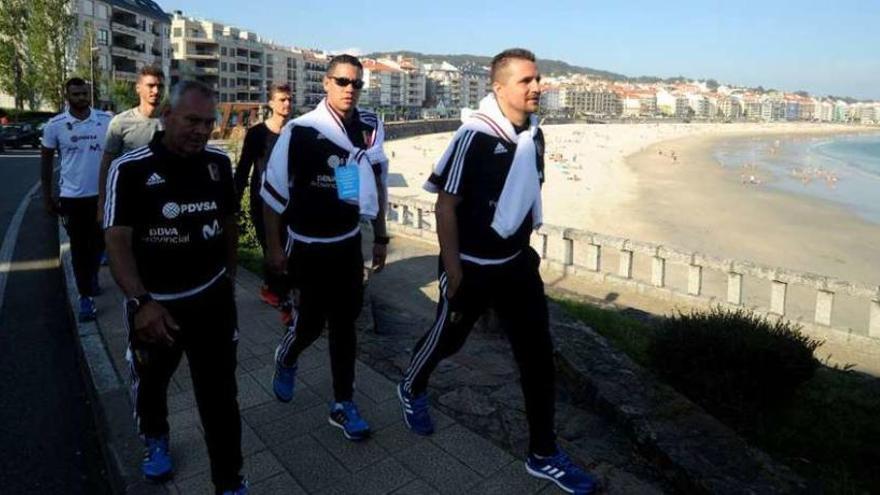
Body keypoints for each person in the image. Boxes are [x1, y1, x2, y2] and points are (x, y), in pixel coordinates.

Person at [396, 49, 597, 494]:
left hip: (517, 266)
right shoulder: (474, 137)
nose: (537, 87)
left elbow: (527, 194)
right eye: (526, 80)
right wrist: (454, 270)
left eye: (538, 78)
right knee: (449, 340)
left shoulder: (535, 137)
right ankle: (411, 386)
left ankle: (543, 454)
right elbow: (445, 204)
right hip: (472, 267)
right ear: (500, 88)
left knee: (538, 358)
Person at [103, 80, 247, 494]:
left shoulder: (218, 164)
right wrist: (141, 302)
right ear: (167, 116)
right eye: (192, 120)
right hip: (156, 309)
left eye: (208, 122)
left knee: (221, 399)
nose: (202, 130)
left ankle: (230, 481)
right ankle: (156, 439)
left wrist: (229, 279)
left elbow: (230, 224)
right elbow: (116, 239)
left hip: (212, 303)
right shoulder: (130, 168)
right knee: (152, 385)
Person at [261, 54, 390, 441]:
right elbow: (272, 195)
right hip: (307, 245)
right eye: (342, 82)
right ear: (326, 83)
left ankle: (343, 403)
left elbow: (371, 183)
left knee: (345, 325)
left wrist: (380, 235)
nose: (350, 90)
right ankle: (288, 355)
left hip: (347, 244)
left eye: (357, 84)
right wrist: (273, 249)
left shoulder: (369, 126)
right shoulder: (301, 130)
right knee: (312, 324)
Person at [41, 77, 112, 321]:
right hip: (72, 198)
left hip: (103, 196)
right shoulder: (55, 125)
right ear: (67, 96)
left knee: (100, 243)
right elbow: (47, 162)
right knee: (80, 248)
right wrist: (47, 196)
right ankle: (85, 297)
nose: (81, 98)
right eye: (76, 94)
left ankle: (91, 275)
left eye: (84, 94)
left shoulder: (105, 121)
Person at [233, 83, 293, 323]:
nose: (286, 104)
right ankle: (275, 292)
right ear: (270, 103)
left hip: (290, 202)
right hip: (262, 202)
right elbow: (243, 168)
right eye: (281, 100)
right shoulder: (257, 133)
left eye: (289, 99)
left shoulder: (296, 131)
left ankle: (278, 291)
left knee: (289, 247)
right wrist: (234, 202)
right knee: (271, 246)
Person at [97, 65, 165, 225]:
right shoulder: (120, 122)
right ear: (138, 88)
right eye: (151, 86)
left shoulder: (172, 122)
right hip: (128, 201)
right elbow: (106, 164)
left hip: (163, 202)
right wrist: (102, 204)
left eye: (160, 86)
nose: (156, 91)